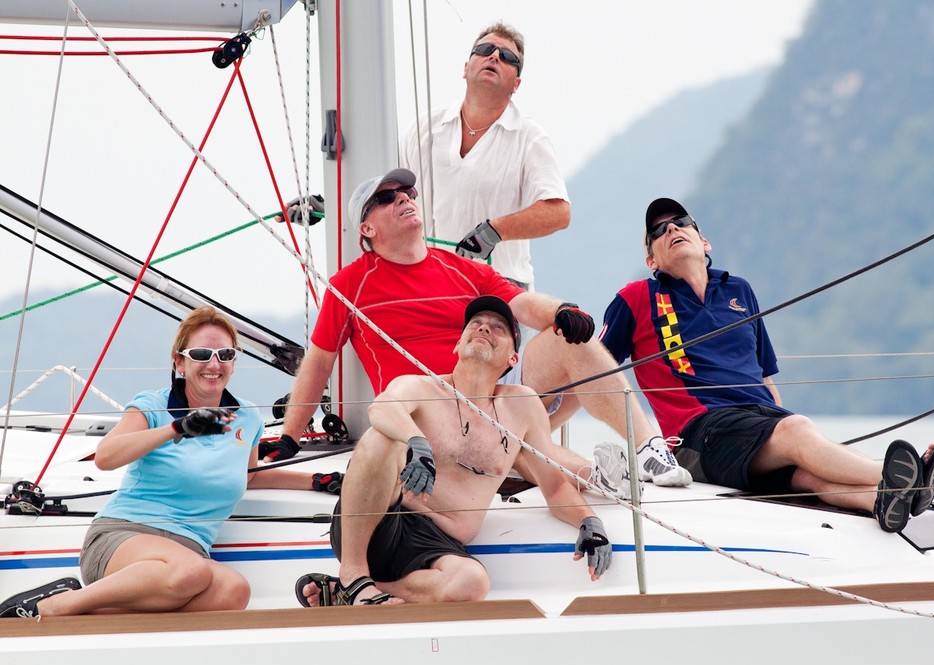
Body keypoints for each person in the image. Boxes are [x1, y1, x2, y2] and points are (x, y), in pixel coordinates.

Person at [261, 168, 691, 496]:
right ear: (367, 229)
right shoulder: (349, 285)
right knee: (510, 436)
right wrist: (289, 438)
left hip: (491, 396)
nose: (405, 198)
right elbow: (319, 362)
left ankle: (647, 448)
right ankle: (597, 478)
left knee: (569, 339)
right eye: (388, 198)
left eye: (407, 192)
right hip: (428, 415)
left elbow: (521, 304)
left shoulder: (461, 267)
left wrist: (562, 311)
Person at [598, 198, 934, 533]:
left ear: (704, 242)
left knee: (809, 474)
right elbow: (593, 368)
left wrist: (790, 433)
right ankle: (912, 481)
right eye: (659, 232)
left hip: (759, 423)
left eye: (680, 222)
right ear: (652, 261)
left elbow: (764, 376)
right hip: (697, 435)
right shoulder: (636, 298)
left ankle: (884, 499)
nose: (672, 230)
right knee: (799, 430)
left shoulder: (739, 291)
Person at [0, 307, 340, 619]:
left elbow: (247, 477)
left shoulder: (246, 418)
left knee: (235, 590)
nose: (214, 364)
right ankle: (57, 606)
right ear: (179, 362)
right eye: (202, 354)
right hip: (125, 536)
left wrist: (317, 480)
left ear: (234, 363)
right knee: (193, 572)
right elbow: (106, 456)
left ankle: (65, 610)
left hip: (187, 552)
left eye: (225, 355)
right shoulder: (153, 406)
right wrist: (176, 428)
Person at [295, 296, 610, 606]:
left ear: (513, 359)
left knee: (473, 582)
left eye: (499, 327)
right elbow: (382, 409)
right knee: (381, 438)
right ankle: (353, 574)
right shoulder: (421, 387)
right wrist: (417, 441)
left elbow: (554, 487)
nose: (485, 328)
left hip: (436, 543)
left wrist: (590, 522)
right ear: (457, 346)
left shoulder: (522, 407)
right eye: (476, 324)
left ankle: (346, 592)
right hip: (378, 519)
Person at [399, 21, 569, 289]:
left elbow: (559, 212)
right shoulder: (423, 128)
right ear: (466, 68)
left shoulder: (529, 137)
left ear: (517, 83)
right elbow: (387, 191)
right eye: (485, 49)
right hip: (431, 282)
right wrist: (331, 205)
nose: (495, 56)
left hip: (500, 285)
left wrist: (495, 231)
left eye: (508, 57)